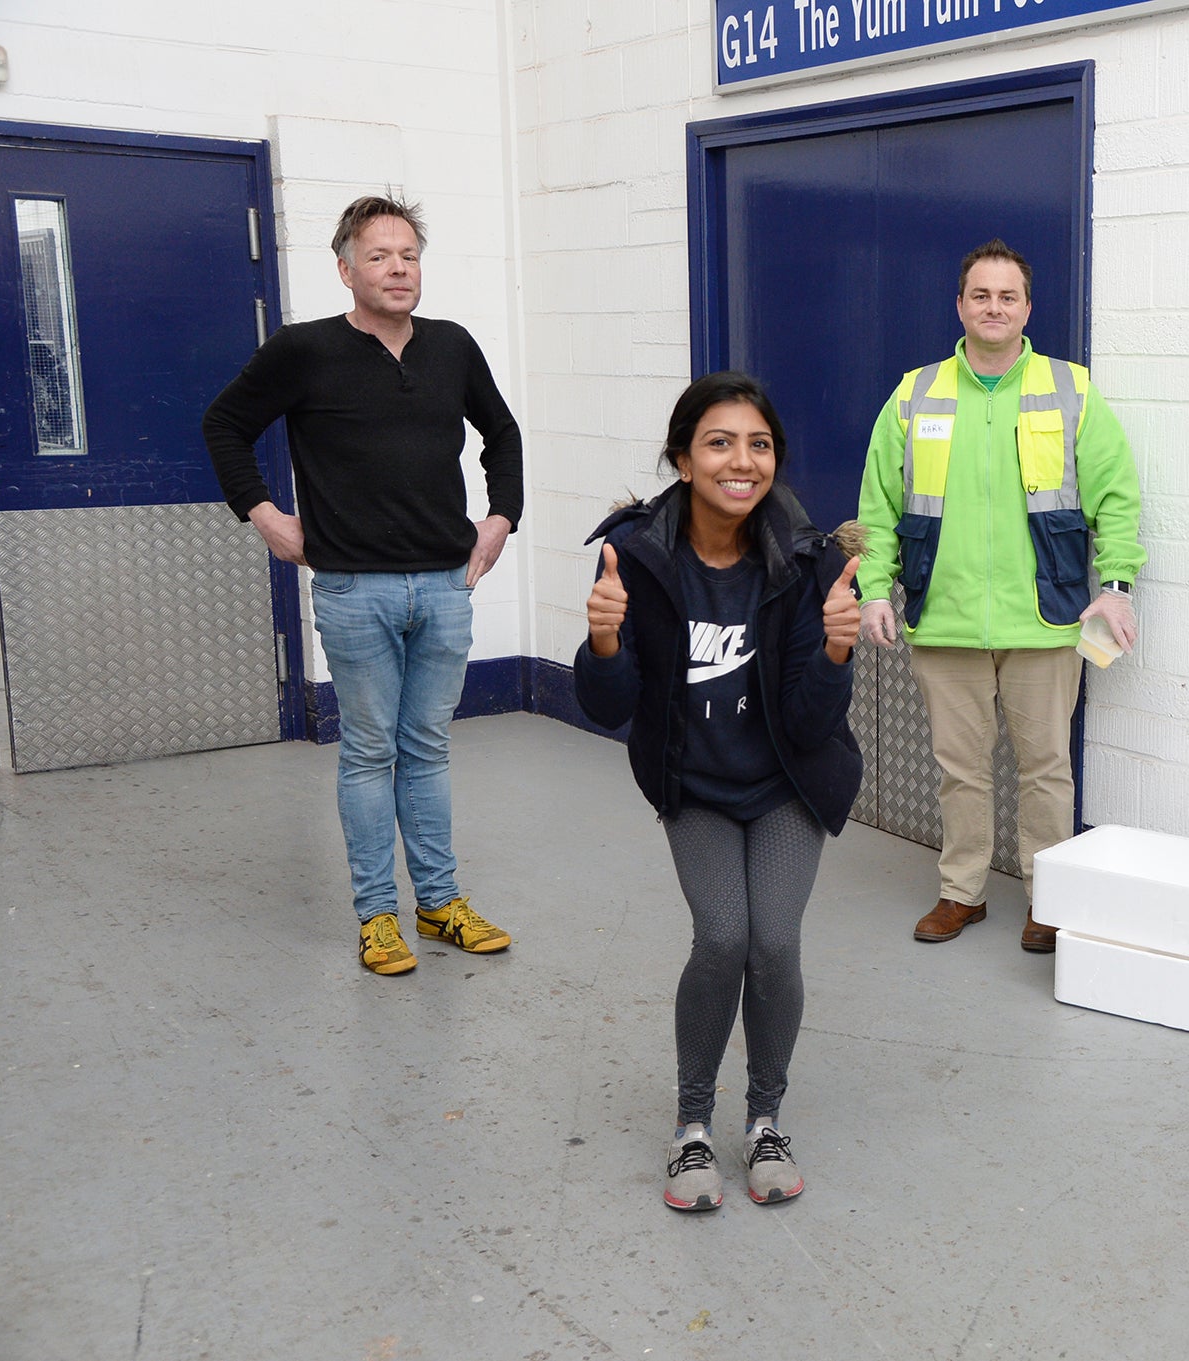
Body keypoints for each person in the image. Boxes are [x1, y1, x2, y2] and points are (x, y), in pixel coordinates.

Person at [204, 194, 521, 976]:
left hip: (446, 585)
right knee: (370, 752)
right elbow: (225, 424)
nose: (398, 267)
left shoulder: (452, 347)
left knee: (429, 750)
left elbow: (502, 432)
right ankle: (378, 916)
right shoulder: (304, 350)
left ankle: (440, 904)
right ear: (346, 270)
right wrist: (266, 515)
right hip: (354, 590)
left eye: (409, 254)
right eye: (379, 256)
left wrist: (501, 517)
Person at [574, 371, 863, 1212]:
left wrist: (837, 654)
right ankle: (691, 1127)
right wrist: (601, 641)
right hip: (694, 785)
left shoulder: (810, 562)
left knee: (773, 941)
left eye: (759, 443)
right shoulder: (639, 555)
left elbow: (810, 725)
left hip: (784, 785)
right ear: (682, 456)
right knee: (722, 935)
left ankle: (765, 1116)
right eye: (720, 442)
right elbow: (609, 705)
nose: (742, 461)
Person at [855, 239, 1146, 953]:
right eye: (980, 295)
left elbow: (1117, 497)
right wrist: (871, 591)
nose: (993, 307)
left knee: (1046, 769)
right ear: (960, 306)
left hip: (1045, 622)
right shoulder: (915, 393)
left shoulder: (1070, 389)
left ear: (1027, 308)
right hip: (944, 620)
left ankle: (1051, 900)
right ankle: (963, 892)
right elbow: (877, 506)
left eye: (1006, 296)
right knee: (960, 770)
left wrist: (1114, 587)